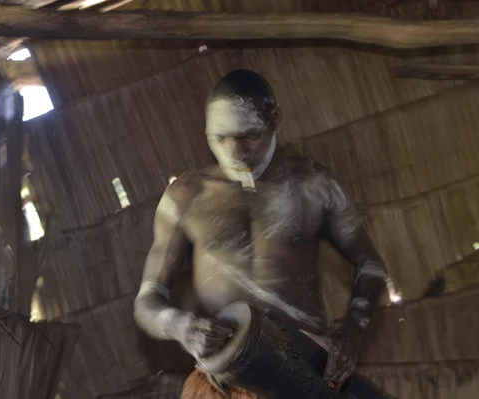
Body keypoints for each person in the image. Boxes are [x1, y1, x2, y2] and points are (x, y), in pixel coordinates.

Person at [133, 69, 389, 398]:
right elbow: (147, 301)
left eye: (248, 135)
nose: (234, 151)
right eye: (219, 137)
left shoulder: (313, 186)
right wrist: (179, 325)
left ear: (275, 119)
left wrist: (352, 330)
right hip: (224, 382)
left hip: (304, 375)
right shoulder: (184, 198)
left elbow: (370, 266)